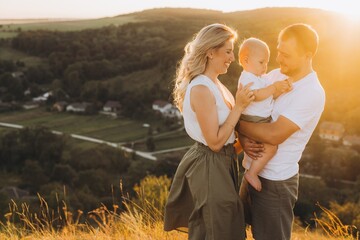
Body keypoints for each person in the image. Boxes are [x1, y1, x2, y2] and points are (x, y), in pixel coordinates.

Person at [163, 23, 254, 240]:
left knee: (217, 226)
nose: (232, 58)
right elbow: (214, 142)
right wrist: (240, 106)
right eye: (228, 51)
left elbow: (228, 134)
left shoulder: (217, 85)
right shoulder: (201, 88)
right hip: (209, 162)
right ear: (211, 52)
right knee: (219, 228)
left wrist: (245, 144)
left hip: (224, 161)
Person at [238, 23, 325, 240]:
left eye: (285, 55)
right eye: (278, 51)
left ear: (307, 56)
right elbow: (246, 107)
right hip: (251, 172)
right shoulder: (275, 75)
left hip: (275, 183)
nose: (278, 59)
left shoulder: (312, 92)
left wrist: (237, 126)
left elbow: (273, 134)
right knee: (232, 232)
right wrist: (243, 137)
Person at [237, 37, 292, 191]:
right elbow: (257, 95)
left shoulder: (259, 78)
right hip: (254, 120)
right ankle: (252, 173)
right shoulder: (247, 77)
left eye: (266, 63)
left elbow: (267, 96)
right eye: (261, 62)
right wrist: (274, 87)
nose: (265, 67)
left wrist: (280, 89)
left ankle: (252, 171)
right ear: (246, 61)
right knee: (271, 148)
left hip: (258, 119)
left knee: (264, 147)